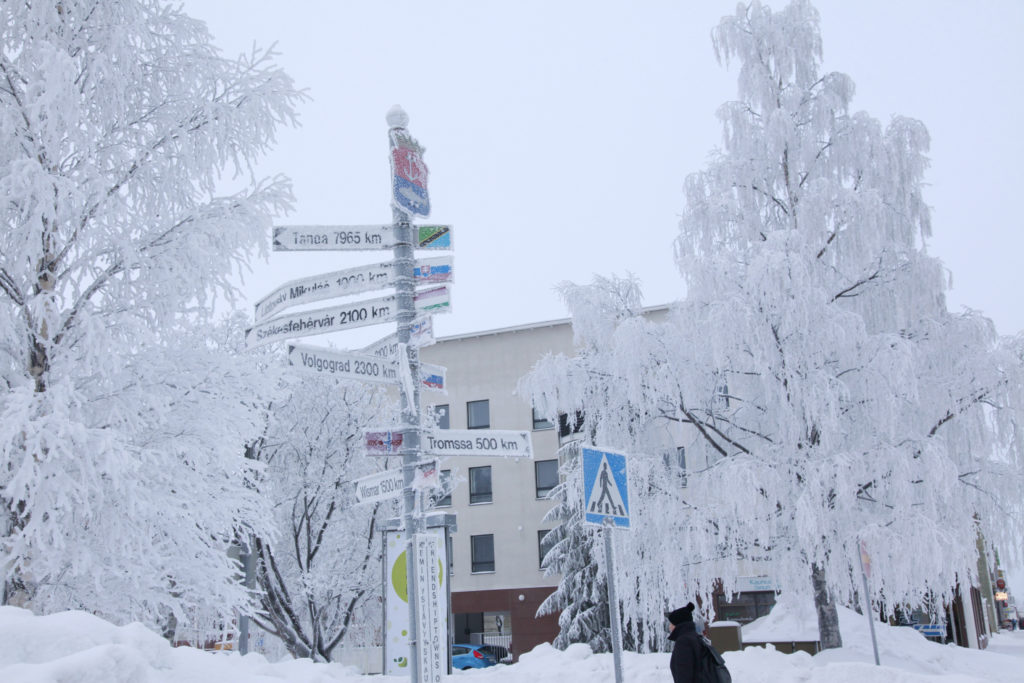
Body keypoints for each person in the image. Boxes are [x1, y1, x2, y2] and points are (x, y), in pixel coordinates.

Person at [667, 602, 702, 683]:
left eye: (671, 623)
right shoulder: (695, 637)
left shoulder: (683, 642)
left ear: (678, 624)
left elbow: (684, 673)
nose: (669, 626)